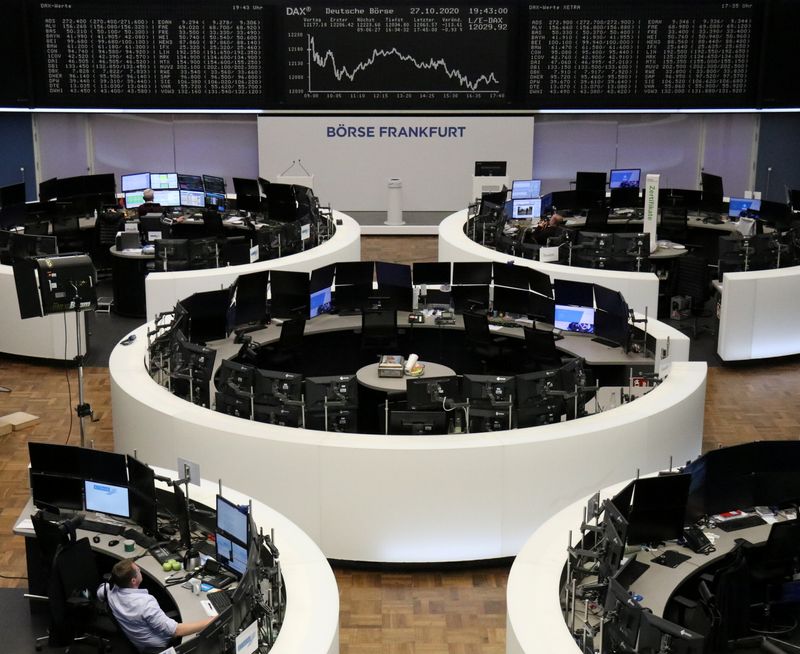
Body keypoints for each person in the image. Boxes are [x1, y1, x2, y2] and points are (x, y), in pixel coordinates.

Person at [97, 558, 213, 653]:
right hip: (158, 647)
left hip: (138, 640)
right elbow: (176, 631)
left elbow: (99, 592)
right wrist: (211, 621)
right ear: (133, 580)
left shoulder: (108, 591)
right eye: (138, 570)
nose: (140, 570)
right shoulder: (145, 604)